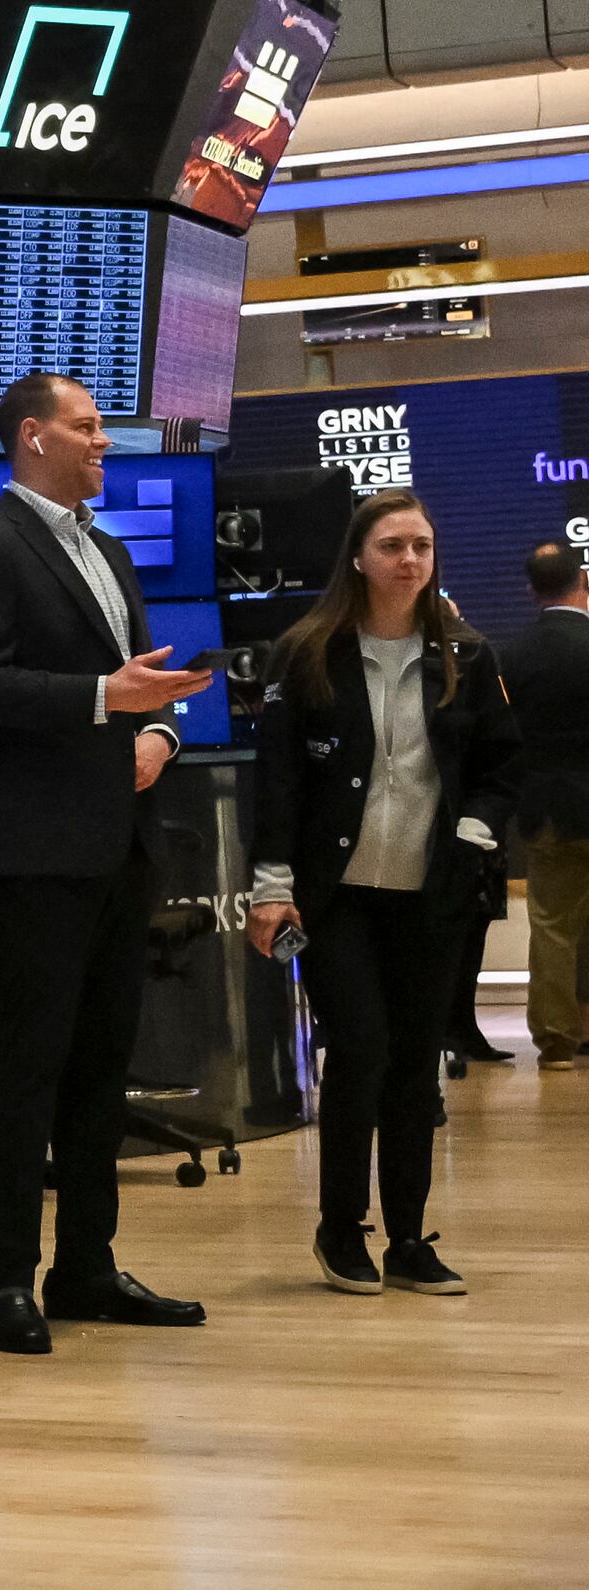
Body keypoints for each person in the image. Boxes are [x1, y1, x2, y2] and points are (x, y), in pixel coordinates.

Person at [0, 372, 216, 1355]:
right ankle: (5, 1282)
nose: (103, 442)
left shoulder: (103, 548)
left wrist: (160, 733)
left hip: (116, 840)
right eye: (86, 427)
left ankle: (85, 1266)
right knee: (30, 1067)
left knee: (101, 1064)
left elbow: (144, 683)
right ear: (30, 437)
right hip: (33, 849)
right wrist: (106, 698)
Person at [242, 491, 519, 1294]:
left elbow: (503, 766)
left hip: (430, 895)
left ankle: (407, 1236)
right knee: (359, 1050)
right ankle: (339, 1228)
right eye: (393, 546)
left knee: (413, 1066)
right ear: (358, 558)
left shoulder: (467, 654)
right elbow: (280, 784)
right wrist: (270, 886)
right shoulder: (308, 653)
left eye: (422, 547)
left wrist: (472, 834)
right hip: (337, 900)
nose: (410, 561)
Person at [503, 540, 589, 1065]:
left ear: (531, 590)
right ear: (583, 582)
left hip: (546, 810)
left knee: (554, 926)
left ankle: (558, 1041)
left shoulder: (514, 654)